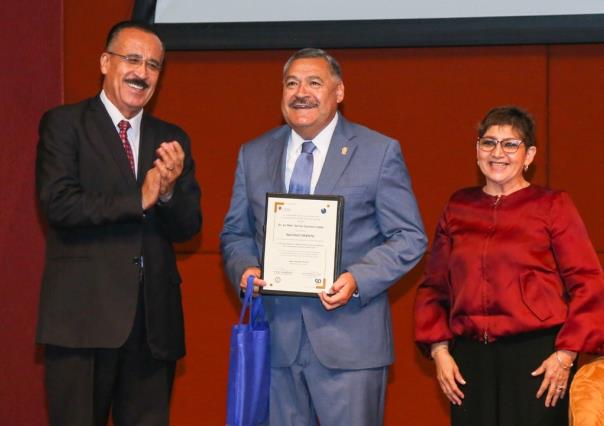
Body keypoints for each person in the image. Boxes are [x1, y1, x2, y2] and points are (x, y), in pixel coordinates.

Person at [220, 48, 427, 425]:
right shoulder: (253, 154)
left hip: (350, 346)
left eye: (314, 83)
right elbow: (236, 233)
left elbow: (409, 236)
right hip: (277, 346)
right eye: (291, 83)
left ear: (339, 92)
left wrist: (357, 279)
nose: (302, 92)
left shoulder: (378, 152)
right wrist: (245, 267)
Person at [35, 21, 201, 426]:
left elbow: (189, 227)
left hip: (152, 328)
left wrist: (165, 194)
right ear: (105, 63)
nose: (141, 73)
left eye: (153, 65)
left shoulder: (171, 138)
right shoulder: (64, 124)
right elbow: (58, 204)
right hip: (81, 321)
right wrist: (138, 198)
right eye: (132, 60)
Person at [414, 106, 604, 426]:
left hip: (539, 360)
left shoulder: (552, 205)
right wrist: (440, 351)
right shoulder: (459, 206)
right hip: (469, 361)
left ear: (528, 155)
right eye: (488, 143)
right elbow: (434, 286)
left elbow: (588, 282)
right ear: (477, 150)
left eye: (510, 144)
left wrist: (566, 355)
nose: (498, 153)